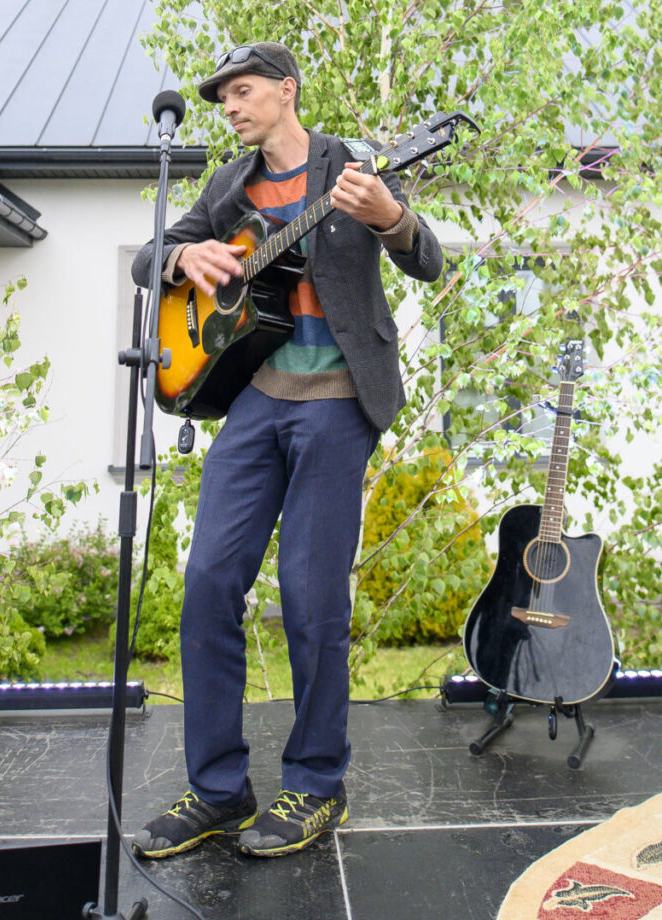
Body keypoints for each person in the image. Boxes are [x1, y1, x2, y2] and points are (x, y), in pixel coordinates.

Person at [131, 41, 443, 859]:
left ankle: (314, 783)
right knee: (207, 586)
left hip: (337, 403)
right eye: (222, 98)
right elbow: (148, 260)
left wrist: (389, 215)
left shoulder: (352, 166)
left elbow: (426, 258)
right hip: (255, 399)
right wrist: (182, 255)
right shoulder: (227, 185)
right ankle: (217, 790)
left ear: (285, 91)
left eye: (241, 92)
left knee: (311, 602)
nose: (230, 107)